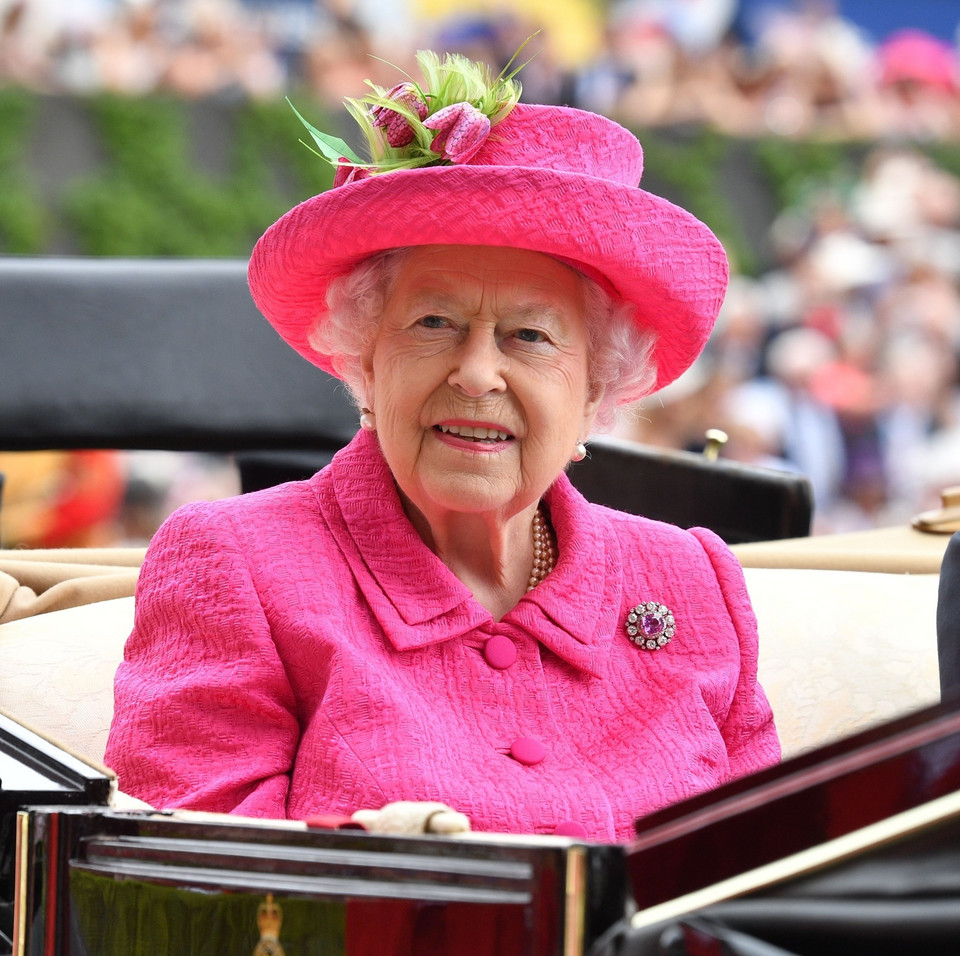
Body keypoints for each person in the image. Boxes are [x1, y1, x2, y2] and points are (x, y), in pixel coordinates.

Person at [104, 48, 780, 842]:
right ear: (364, 357)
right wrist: (364, 863)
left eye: (530, 336)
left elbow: (772, 878)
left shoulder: (694, 582)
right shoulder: (236, 564)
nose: (477, 373)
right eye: (435, 324)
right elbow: (187, 880)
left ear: (596, 386)